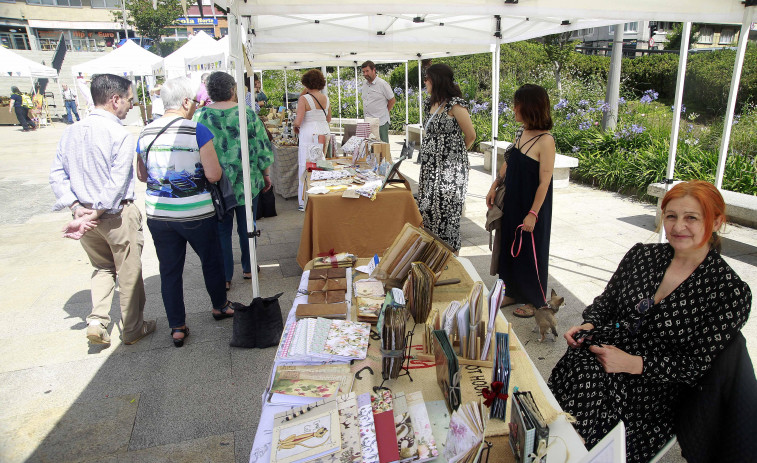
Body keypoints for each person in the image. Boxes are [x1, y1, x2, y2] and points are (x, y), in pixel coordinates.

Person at [548, 180, 752, 462]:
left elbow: (695, 366)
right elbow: (606, 303)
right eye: (671, 216)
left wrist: (632, 363)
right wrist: (590, 325)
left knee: (576, 426)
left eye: (691, 217)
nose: (678, 226)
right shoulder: (642, 256)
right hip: (595, 364)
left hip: (651, 395)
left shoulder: (728, 291)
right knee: (563, 405)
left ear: (716, 221)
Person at [49, 73, 155, 346]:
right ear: (114, 99)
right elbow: (117, 182)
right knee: (128, 272)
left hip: (85, 217)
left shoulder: (71, 131)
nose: (131, 106)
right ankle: (132, 329)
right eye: (129, 100)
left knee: (102, 268)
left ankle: (97, 320)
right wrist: (92, 213)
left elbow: (57, 175)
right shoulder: (119, 134)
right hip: (114, 216)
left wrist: (77, 209)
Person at [136, 77, 242, 347]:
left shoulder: (145, 132)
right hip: (195, 213)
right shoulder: (197, 130)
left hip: (159, 215)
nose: (195, 106)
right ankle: (219, 305)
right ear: (184, 102)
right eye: (194, 101)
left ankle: (177, 326)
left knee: (169, 270)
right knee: (211, 260)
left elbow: (142, 174)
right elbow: (214, 174)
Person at [193, 71, 274, 289]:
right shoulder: (246, 114)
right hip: (247, 180)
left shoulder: (200, 116)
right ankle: (249, 267)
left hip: (216, 184)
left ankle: (225, 275)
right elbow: (262, 148)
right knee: (248, 225)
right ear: (232, 90)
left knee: (221, 230)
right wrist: (266, 174)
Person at [486, 84, 555, 318]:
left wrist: (533, 214)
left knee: (530, 250)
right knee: (508, 246)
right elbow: (510, 161)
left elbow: (544, 182)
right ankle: (511, 291)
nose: (513, 108)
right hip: (512, 200)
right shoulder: (521, 133)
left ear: (530, 107)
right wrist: (495, 185)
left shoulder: (546, 141)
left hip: (532, 205)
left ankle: (535, 299)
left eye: (518, 104)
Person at [417, 63, 476, 252]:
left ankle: (450, 255)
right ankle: (431, 254)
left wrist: (453, 156)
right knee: (427, 210)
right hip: (429, 170)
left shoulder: (455, 105)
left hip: (450, 172)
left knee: (447, 214)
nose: (425, 82)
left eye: (427, 78)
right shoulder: (429, 104)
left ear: (437, 80)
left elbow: (471, 136)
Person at [293, 69, 332, 212]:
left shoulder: (304, 99)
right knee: (320, 163)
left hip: (308, 132)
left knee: (306, 164)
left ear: (306, 83)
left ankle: (304, 200)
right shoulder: (326, 98)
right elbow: (328, 118)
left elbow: (298, 120)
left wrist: (295, 127)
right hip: (323, 131)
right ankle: (320, 194)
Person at [360, 60, 395, 143]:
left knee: (383, 149)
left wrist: (385, 111)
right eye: (363, 72)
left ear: (373, 70)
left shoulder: (382, 84)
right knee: (368, 149)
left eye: (367, 71)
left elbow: (392, 100)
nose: (365, 74)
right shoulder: (364, 85)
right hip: (367, 122)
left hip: (381, 122)